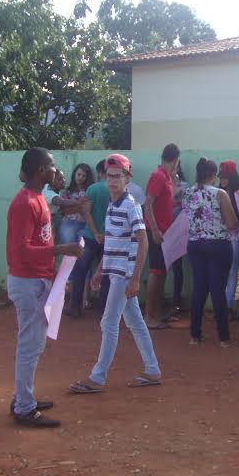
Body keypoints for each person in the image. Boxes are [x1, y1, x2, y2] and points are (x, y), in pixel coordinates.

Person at [69, 154, 162, 393]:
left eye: (117, 177)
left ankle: (98, 377)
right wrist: (101, 270)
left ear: (127, 178)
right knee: (134, 321)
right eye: (109, 176)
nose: (112, 181)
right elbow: (112, 244)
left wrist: (134, 278)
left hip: (124, 275)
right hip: (117, 273)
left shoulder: (130, 206)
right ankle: (152, 369)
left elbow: (143, 243)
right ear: (104, 176)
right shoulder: (114, 204)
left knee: (109, 322)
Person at [6, 148, 85, 428]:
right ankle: (24, 407)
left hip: (37, 280)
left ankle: (22, 398)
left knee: (33, 343)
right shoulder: (24, 203)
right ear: (41, 171)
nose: (56, 171)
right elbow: (22, 250)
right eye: (52, 166)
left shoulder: (38, 198)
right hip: (27, 282)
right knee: (30, 344)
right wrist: (63, 250)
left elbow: (37, 243)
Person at [184, 158, 239, 346]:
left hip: (195, 245)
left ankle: (195, 336)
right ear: (214, 175)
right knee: (217, 291)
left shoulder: (188, 192)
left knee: (199, 290)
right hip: (218, 245)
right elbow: (231, 224)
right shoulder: (220, 193)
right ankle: (223, 338)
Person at [67, 160, 110, 318]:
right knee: (105, 274)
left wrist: (95, 232)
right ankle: (104, 311)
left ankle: (75, 307)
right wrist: (103, 234)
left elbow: (86, 212)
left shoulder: (93, 188)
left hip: (90, 237)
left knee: (80, 272)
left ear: (99, 173)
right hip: (108, 239)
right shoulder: (116, 190)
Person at [145, 143, 181, 330]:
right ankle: (149, 317)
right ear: (176, 160)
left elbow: (166, 203)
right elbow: (148, 203)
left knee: (162, 272)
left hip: (164, 232)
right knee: (156, 272)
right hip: (156, 232)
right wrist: (155, 229)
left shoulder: (166, 177)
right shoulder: (158, 176)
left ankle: (156, 313)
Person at [219, 160, 239, 317]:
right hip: (223, 236)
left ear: (232, 177)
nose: (223, 180)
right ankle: (225, 306)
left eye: (226, 177)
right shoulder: (218, 192)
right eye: (221, 176)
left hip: (235, 235)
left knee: (230, 270)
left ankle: (227, 307)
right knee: (227, 270)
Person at [169, 163, 189, 318]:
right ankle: (161, 299)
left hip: (178, 229)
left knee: (177, 265)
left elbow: (185, 205)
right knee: (161, 266)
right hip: (163, 228)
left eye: (175, 167)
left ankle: (176, 300)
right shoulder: (162, 181)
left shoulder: (184, 185)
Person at [59, 163, 94, 244]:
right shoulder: (67, 191)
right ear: (74, 174)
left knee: (82, 253)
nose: (80, 177)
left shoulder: (90, 191)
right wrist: (80, 205)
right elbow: (64, 210)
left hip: (85, 224)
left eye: (84, 176)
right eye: (79, 174)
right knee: (68, 251)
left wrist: (72, 206)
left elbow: (88, 209)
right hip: (68, 224)